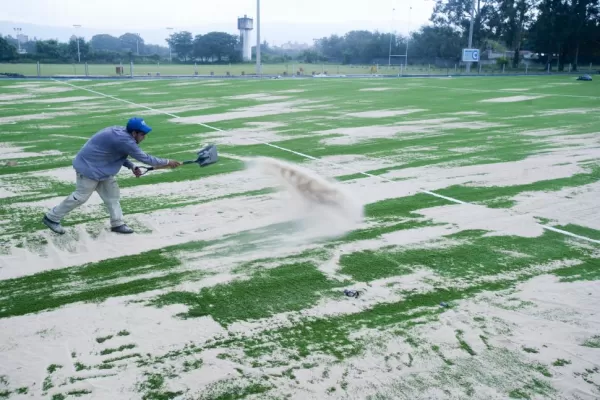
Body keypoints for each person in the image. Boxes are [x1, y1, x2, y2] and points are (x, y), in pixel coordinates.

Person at [42, 117, 181, 235]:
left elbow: (118, 154)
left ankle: (117, 224)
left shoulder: (121, 134)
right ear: (134, 133)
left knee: (112, 196)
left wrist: (132, 166)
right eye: (143, 134)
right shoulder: (125, 140)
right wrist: (168, 162)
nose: (144, 137)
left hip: (103, 169)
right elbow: (146, 159)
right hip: (89, 168)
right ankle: (51, 217)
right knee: (80, 197)